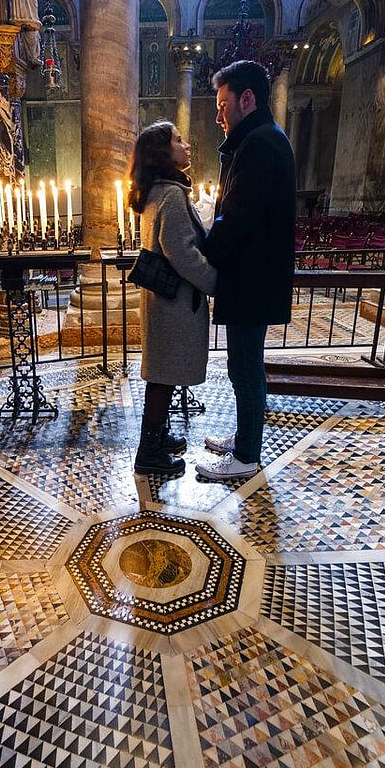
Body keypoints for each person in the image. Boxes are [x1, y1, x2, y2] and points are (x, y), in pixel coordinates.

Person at [195, 60, 296, 481]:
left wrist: (206, 243)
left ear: (247, 99)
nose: (218, 115)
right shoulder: (259, 140)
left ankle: (246, 457)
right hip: (254, 279)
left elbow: (238, 218)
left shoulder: (259, 145)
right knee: (244, 367)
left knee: (246, 369)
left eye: (222, 104)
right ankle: (244, 440)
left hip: (252, 281)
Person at [128, 121, 217, 476]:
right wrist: (215, 282)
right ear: (162, 153)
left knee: (161, 375)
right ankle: (149, 452)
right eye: (179, 140)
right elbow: (181, 252)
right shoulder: (171, 194)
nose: (187, 145)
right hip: (174, 303)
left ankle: (157, 437)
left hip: (163, 301)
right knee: (162, 378)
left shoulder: (158, 191)